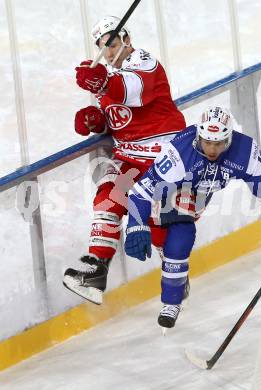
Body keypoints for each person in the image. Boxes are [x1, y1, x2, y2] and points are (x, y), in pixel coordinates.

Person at [124, 106, 261, 329]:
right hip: (175, 185)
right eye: (207, 142)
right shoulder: (179, 154)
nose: (211, 149)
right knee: (179, 235)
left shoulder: (245, 151)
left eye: (218, 143)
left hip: (202, 189)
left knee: (181, 233)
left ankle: (173, 287)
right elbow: (141, 192)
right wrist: (135, 225)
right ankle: (171, 300)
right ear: (199, 136)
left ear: (228, 139)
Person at [63, 16, 185, 304]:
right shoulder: (108, 77)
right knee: (108, 196)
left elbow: (133, 93)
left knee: (157, 224)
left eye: (114, 43)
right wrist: (97, 122)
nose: (109, 51)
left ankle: (175, 273)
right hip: (130, 158)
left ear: (127, 41)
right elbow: (121, 118)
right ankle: (96, 271)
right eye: (104, 46)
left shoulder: (144, 63)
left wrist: (103, 82)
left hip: (163, 156)